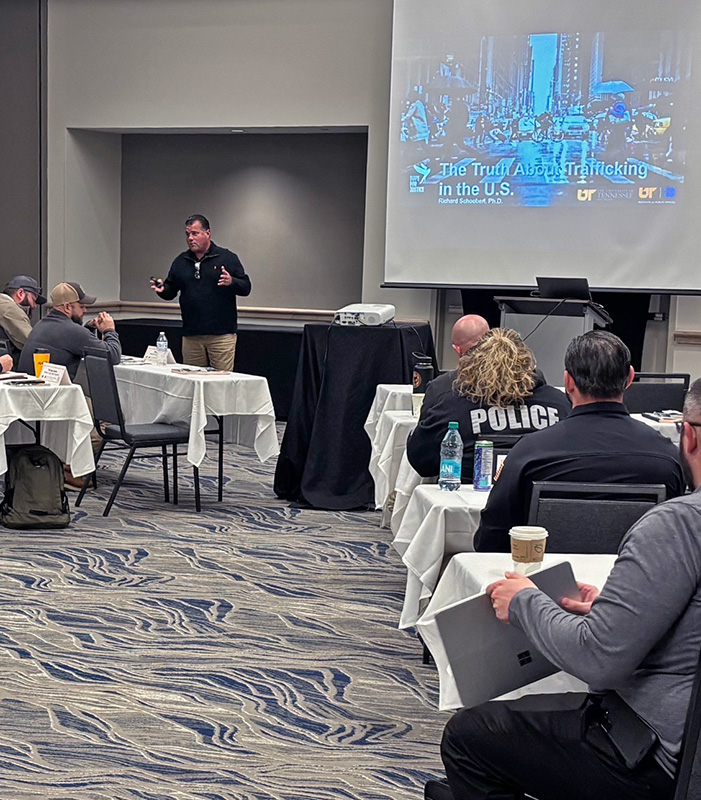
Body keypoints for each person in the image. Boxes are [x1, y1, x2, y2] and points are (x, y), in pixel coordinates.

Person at [430, 377, 701, 800]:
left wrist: (524, 602)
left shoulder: (680, 524)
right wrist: (615, 612)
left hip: (661, 758)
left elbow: (599, 660)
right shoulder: (662, 464)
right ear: (628, 379)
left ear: (690, 436)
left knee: (468, 736)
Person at [473, 330, 684, 552]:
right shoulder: (667, 458)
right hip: (638, 583)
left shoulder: (530, 453)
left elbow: (491, 540)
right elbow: (680, 539)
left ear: (568, 382)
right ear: (630, 378)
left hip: (543, 582)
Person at [407, 328, 571, 480]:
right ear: (527, 362)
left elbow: (421, 461)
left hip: (462, 502)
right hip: (536, 503)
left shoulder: (449, 404)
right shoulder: (560, 404)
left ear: (473, 363)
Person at [151, 214, 251, 371]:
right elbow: (170, 291)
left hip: (221, 336)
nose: (190, 238)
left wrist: (232, 281)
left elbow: (246, 287)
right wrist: (162, 290)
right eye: (187, 234)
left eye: (195, 233)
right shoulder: (181, 261)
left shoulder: (227, 258)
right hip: (191, 336)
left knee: (220, 383)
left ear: (208, 233)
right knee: (193, 382)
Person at [18, 282, 121, 380]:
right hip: (50, 395)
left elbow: (72, 342)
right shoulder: (72, 331)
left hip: (30, 391)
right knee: (93, 398)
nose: (85, 311)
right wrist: (109, 330)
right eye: (81, 307)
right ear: (67, 307)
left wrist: (89, 328)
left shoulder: (41, 325)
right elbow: (113, 356)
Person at [0, 275, 46, 362]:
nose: (34, 306)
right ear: (20, 293)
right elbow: (30, 342)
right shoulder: (9, 309)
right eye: (33, 299)